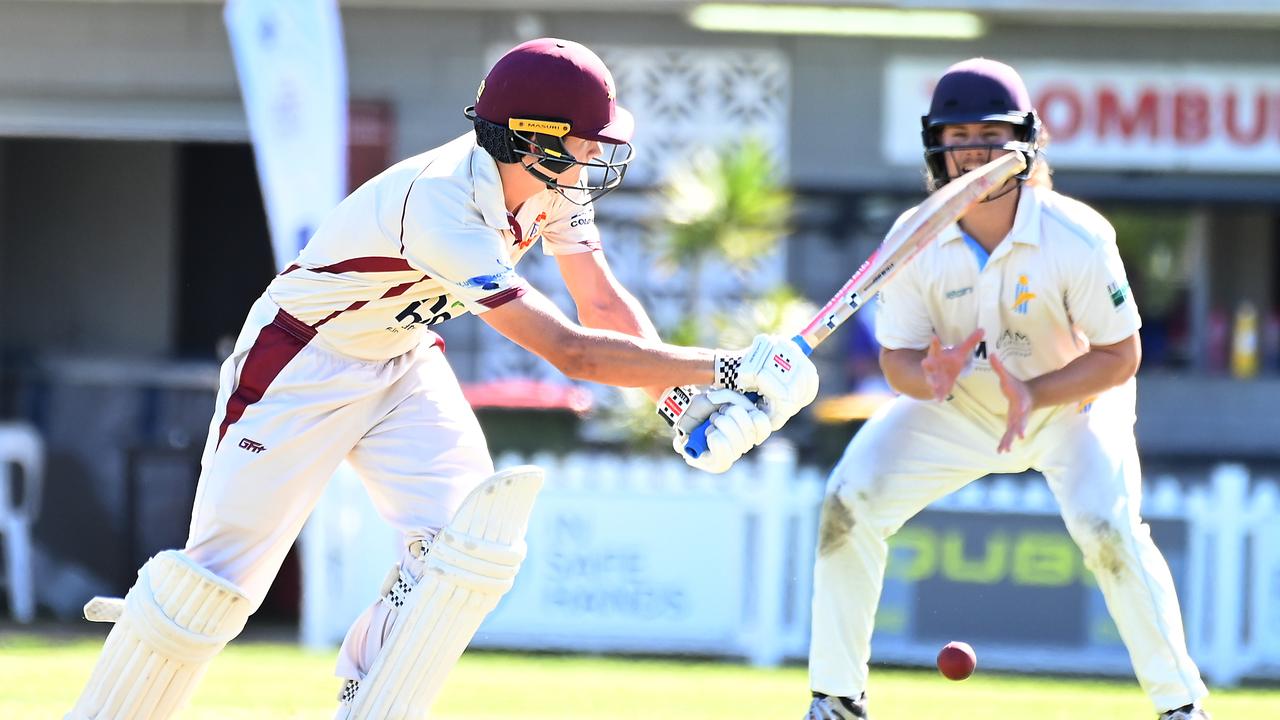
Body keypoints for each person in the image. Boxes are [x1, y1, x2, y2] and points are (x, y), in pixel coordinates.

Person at [67, 38, 818, 720]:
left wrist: (680, 401)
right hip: (301, 362)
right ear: (533, 141)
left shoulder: (548, 186)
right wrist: (729, 364)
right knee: (215, 591)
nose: (596, 155)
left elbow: (600, 301)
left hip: (401, 358)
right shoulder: (442, 203)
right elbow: (571, 352)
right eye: (585, 141)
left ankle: (369, 705)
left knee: (467, 545)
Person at [803, 58, 1209, 720]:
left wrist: (1035, 393)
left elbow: (1120, 355)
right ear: (938, 148)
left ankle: (1181, 707)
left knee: (1108, 529)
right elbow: (898, 362)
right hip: (957, 408)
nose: (975, 154)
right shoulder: (913, 238)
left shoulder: (1075, 235)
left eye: (990, 137)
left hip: (1073, 405)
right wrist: (927, 376)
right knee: (850, 501)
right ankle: (836, 698)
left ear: (1024, 144)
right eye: (959, 138)